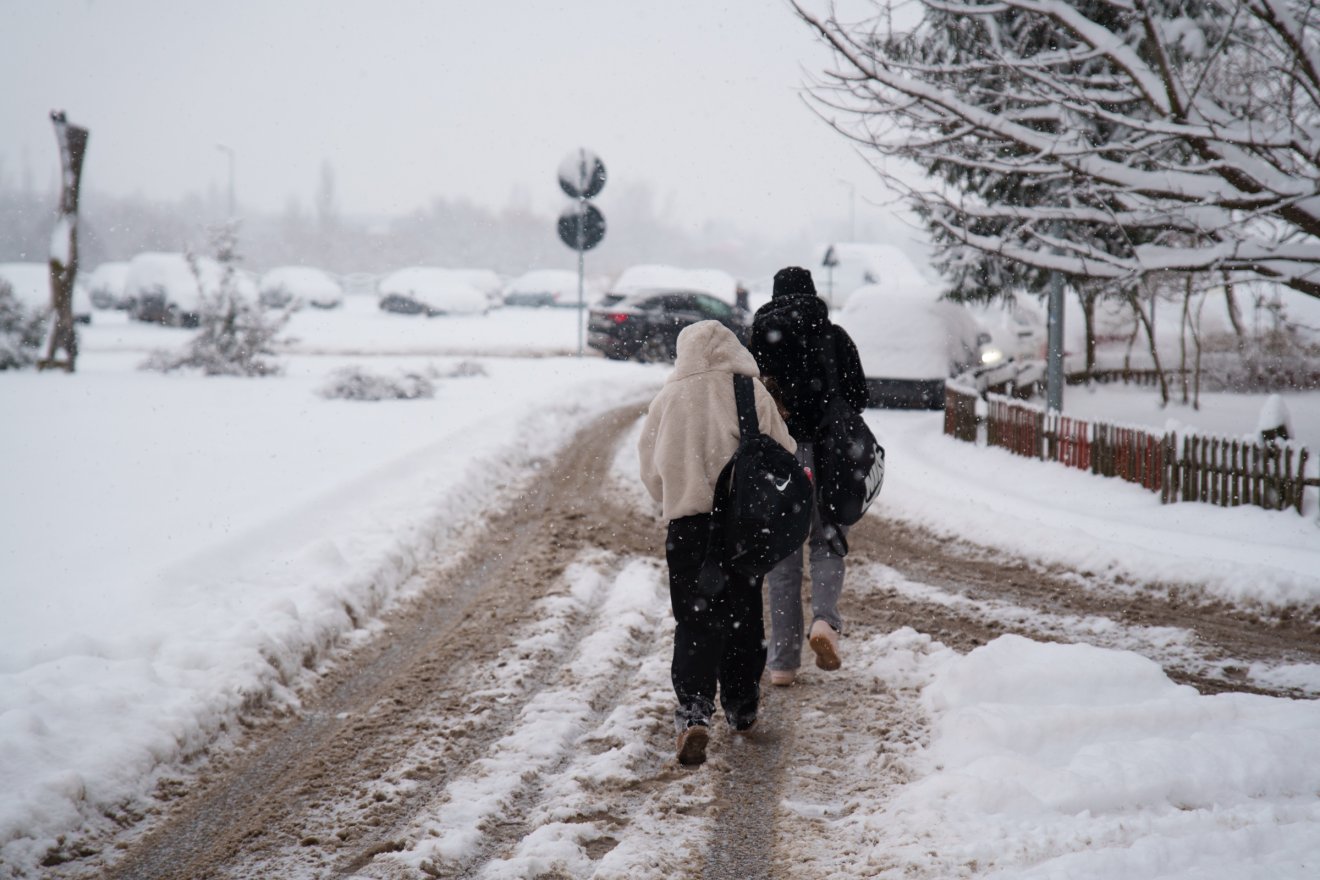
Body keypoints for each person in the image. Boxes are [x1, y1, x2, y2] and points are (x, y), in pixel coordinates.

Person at [638, 319, 797, 766]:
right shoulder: (750, 392)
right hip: (742, 526)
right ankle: (742, 707)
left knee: (694, 618)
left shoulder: (668, 398)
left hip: (688, 525)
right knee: (744, 615)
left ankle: (693, 711)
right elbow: (782, 452)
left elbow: (651, 471)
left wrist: (678, 494)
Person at [748, 266, 868, 686]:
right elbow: (858, 396)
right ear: (813, 294)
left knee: (782, 554)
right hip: (828, 452)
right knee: (827, 539)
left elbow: (748, 398)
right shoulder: (833, 336)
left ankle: (781, 663)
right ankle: (824, 622)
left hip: (779, 453)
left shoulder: (760, 337)